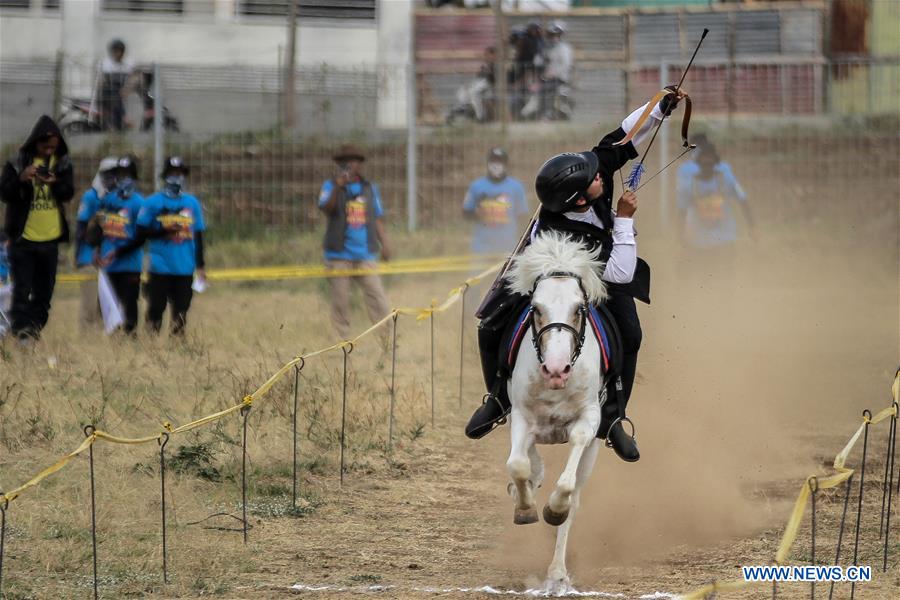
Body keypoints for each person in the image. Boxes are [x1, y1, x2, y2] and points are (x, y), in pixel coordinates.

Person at [465, 88, 686, 463]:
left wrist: (659, 111)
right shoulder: (556, 230)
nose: (601, 174)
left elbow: (624, 136)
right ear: (578, 200)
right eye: (594, 180)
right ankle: (499, 399)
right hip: (559, 270)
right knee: (489, 325)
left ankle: (613, 417)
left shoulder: (592, 175)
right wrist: (625, 220)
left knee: (630, 334)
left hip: (601, 268)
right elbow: (619, 273)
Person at [105, 156, 205, 336]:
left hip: (185, 267)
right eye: (172, 174)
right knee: (156, 308)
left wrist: (201, 266)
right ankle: (151, 342)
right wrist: (164, 230)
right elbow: (141, 234)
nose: (176, 178)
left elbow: (198, 236)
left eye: (180, 174)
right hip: (160, 267)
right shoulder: (152, 203)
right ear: (165, 176)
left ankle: (177, 345)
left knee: (181, 310)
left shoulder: (192, 203)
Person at [0, 115, 75, 344]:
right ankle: (22, 337)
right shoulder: (17, 162)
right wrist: (23, 178)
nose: (49, 151)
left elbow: (68, 192)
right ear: (35, 142)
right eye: (45, 146)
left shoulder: (62, 164)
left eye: (53, 147)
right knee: (21, 292)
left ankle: (32, 332)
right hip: (23, 239)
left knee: (44, 294)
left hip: (49, 239)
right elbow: (5, 193)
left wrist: (55, 182)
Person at [318, 144, 392, 341]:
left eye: (353, 161)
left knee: (377, 298)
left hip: (365, 254)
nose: (349, 165)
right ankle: (339, 344)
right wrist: (338, 185)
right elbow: (326, 208)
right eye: (345, 162)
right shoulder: (330, 186)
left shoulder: (369, 188)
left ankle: (387, 341)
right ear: (339, 165)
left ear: (360, 164)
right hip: (338, 256)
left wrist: (384, 243)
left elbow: (376, 218)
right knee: (340, 303)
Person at [676, 133, 754, 264]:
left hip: (723, 240)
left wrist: (752, 227)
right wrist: (680, 237)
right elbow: (681, 211)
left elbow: (743, 200)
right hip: (698, 240)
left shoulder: (725, 178)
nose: (707, 164)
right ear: (698, 163)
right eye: (704, 162)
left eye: (710, 162)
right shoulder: (690, 182)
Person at [93, 155, 145, 334]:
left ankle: (130, 336)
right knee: (108, 304)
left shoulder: (139, 203)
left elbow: (140, 238)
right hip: (108, 264)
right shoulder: (108, 200)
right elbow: (100, 226)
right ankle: (113, 338)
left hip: (130, 263)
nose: (123, 178)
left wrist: (118, 252)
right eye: (120, 174)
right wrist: (97, 249)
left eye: (127, 174)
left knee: (129, 302)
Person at [75, 156, 119, 331]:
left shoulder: (117, 199)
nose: (113, 178)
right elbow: (81, 228)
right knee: (90, 304)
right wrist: (79, 257)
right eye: (109, 174)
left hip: (109, 259)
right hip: (89, 258)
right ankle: (87, 342)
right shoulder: (91, 197)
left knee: (107, 306)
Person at [463, 147, 528, 256]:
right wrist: (477, 213)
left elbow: (522, 216)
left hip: (509, 247)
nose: (496, 165)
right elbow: (466, 213)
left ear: (506, 164)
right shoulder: (476, 186)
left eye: (500, 162)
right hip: (481, 247)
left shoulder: (516, 187)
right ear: (488, 163)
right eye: (493, 161)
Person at [93, 38, 135, 131]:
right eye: (115, 51)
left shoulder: (126, 65)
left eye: (120, 51)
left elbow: (131, 78)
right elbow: (100, 81)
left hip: (118, 95)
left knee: (118, 110)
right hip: (107, 94)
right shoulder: (106, 64)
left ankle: (118, 126)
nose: (118, 54)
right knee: (116, 107)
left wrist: (127, 89)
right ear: (112, 52)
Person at [542, 20, 574, 119]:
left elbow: (566, 65)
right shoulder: (549, 48)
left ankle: (550, 116)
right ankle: (547, 115)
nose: (553, 38)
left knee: (551, 96)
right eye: (551, 35)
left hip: (561, 79)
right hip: (549, 79)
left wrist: (553, 73)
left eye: (556, 35)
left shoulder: (565, 48)